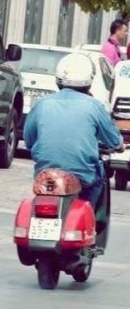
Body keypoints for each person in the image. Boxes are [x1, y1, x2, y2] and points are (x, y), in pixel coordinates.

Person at [24, 52, 123, 210]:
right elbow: (114, 140)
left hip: (45, 174)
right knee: (100, 178)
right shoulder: (94, 106)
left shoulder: (41, 104)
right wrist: (120, 146)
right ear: (89, 81)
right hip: (83, 175)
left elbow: (29, 140)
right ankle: (90, 220)